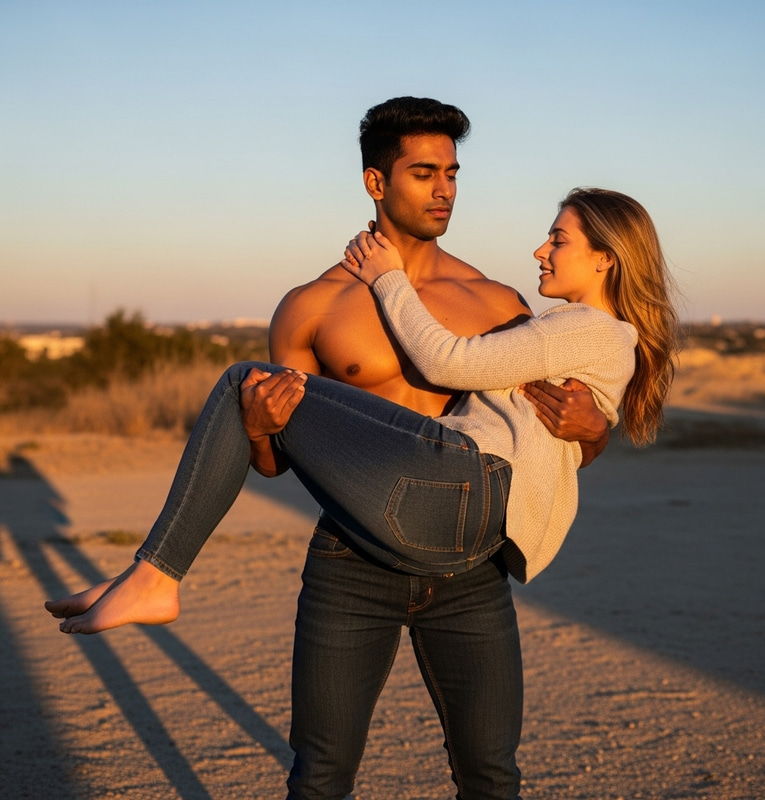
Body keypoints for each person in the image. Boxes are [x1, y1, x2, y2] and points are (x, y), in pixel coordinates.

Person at [47, 98, 623, 800]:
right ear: (376, 184)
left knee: (491, 775)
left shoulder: (499, 303)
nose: (444, 189)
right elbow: (276, 463)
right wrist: (260, 426)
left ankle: (155, 573)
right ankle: (155, 574)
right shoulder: (312, 307)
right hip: (353, 565)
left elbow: (539, 446)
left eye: (452, 172)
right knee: (320, 776)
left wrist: (595, 431)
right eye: (422, 172)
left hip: (469, 573)